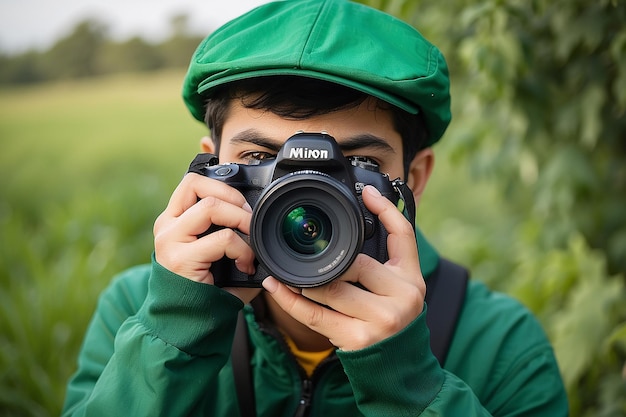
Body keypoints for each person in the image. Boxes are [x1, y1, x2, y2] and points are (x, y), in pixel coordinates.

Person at [61, 0, 568, 416]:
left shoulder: (501, 347)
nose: (304, 194)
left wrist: (408, 385)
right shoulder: (139, 311)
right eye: (261, 158)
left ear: (412, 180)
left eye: (357, 163)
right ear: (211, 167)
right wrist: (175, 334)